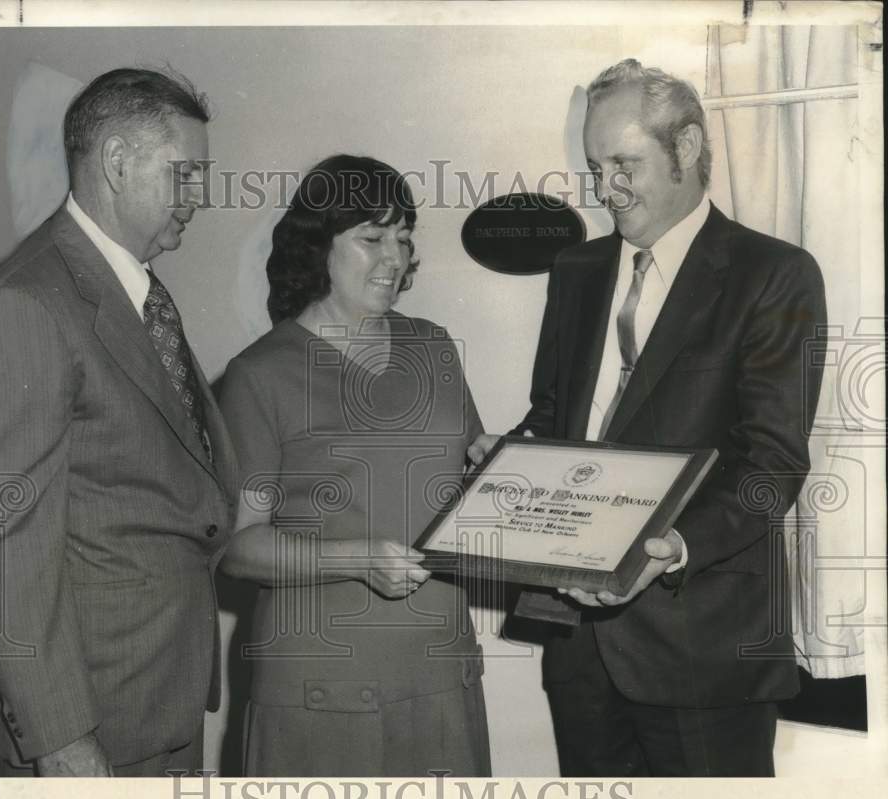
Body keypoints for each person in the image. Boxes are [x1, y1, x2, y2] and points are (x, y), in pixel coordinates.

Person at [468, 59, 827, 776]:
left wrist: (674, 547)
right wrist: (507, 458)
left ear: (688, 147)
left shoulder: (774, 273)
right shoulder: (577, 269)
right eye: (596, 167)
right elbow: (556, 420)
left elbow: (773, 466)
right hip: (578, 648)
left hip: (705, 653)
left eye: (625, 163)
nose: (607, 188)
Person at [0, 68, 238, 777]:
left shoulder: (127, 291)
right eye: (185, 173)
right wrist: (61, 740)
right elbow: (1, 546)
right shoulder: (30, 304)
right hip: (87, 728)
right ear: (115, 160)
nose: (199, 196)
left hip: (148, 702)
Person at [215, 154, 491, 777]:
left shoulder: (433, 346)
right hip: (320, 689)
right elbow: (238, 546)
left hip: (441, 670)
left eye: (402, 236)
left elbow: (470, 479)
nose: (393, 256)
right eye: (370, 237)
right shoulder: (261, 375)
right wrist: (357, 558)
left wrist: (507, 472)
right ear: (318, 247)